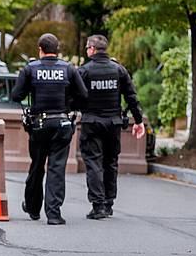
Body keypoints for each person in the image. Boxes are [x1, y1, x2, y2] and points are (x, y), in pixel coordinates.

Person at [11, 33, 88, 225]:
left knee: (36, 166)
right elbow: (83, 94)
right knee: (56, 168)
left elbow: (16, 95)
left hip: (39, 125)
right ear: (57, 49)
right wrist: (69, 104)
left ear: (40, 49)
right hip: (62, 123)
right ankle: (53, 214)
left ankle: (33, 207)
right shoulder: (68, 69)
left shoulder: (31, 69)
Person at [77, 34, 145, 219]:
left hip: (92, 124)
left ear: (92, 49)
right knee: (110, 163)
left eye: (87, 48)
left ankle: (98, 205)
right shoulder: (119, 70)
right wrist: (138, 121)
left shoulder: (84, 71)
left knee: (93, 163)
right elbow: (131, 97)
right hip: (113, 124)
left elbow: (73, 97)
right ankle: (108, 203)